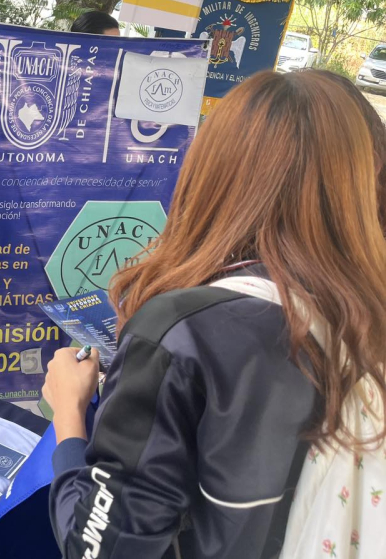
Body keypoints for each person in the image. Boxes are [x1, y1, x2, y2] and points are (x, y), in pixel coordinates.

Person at [43, 70, 386, 558]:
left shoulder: (182, 334)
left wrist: (69, 416)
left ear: (215, 172)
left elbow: (98, 548)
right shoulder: (366, 313)